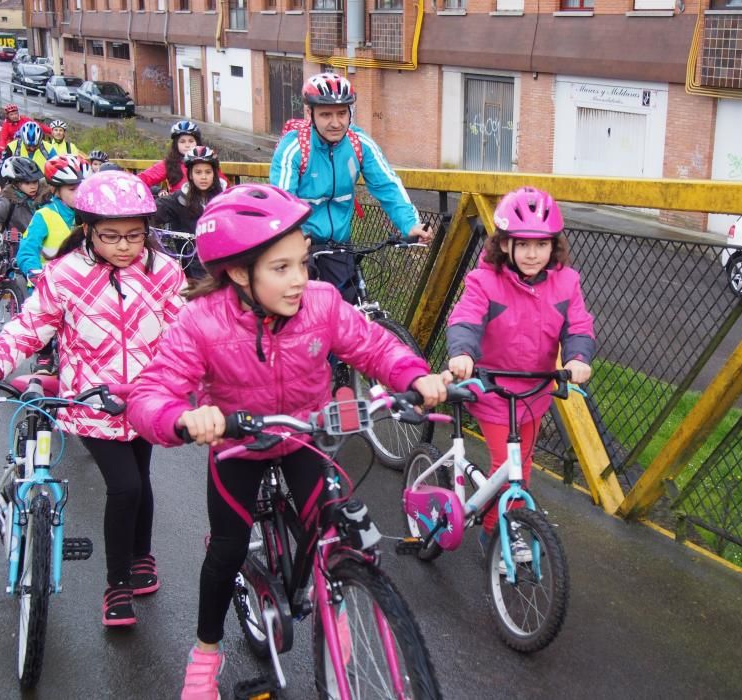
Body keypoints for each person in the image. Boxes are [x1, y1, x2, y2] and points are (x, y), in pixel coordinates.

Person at [125, 183, 450, 699]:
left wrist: (413, 375)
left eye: (302, 262)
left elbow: (371, 345)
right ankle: (206, 655)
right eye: (281, 268)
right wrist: (183, 418)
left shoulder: (322, 303)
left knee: (334, 533)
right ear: (237, 272)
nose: (301, 279)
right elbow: (151, 390)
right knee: (227, 550)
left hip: (303, 436)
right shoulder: (201, 321)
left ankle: (337, 597)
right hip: (238, 444)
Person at [0, 170, 185, 626]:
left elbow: (189, 331)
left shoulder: (164, 271)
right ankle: (116, 584)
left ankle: (142, 557)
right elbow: (28, 327)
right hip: (92, 401)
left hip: (146, 400)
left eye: (135, 236)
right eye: (111, 236)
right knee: (125, 487)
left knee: (141, 478)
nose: (124, 246)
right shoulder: (64, 275)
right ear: (87, 229)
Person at [445, 186, 595, 556]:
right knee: (506, 466)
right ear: (504, 245)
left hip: (535, 392)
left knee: (521, 468)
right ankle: (497, 535)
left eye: (542, 245)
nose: (532, 254)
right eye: (522, 244)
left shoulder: (566, 282)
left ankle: (501, 524)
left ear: (554, 246)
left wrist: (577, 358)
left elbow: (578, 326)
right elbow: (465, 318)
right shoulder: (485, 281)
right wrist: (462, 352)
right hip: (493, 390)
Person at [269, 72, 431, 303]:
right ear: (310, 114)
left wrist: (410, 224)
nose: (336, 123)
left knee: (349, 310)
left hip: (339, 244)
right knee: (303, 312)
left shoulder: (358, 143)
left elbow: (388, 184)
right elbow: (282, 201)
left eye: (342, 113)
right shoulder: (294, 147)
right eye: (326, 115)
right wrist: (295, 239)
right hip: (300, 244)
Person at [16, 154, 90, 373]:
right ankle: (45, 356)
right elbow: (27, 250)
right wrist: (33, 271)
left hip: (82, 285)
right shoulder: (44, 216)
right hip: (48, 284)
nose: (79, 194)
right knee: (45, 321)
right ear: (57, 190)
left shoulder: (91, 216)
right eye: (72, 189)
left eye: (82, 188)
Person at [153, 146, 225, 280]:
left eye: (208, 172)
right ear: (190, 174)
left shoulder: (226, 197)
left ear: (214, 174)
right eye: (198, 172)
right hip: (194, 269)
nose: (203, 177)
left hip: (222, 263)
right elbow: (152, 212)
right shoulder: (178, 200)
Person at [138, 120, 226, 196]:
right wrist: (157, 190)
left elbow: (223, 185)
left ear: (197, 142)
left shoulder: (207, 161)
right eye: (182, 142)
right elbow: (141, 179)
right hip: (178, 208)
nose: (187, 145)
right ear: (176, 145)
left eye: (191, 141)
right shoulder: (169, 163)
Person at [0, 156, 52, 241]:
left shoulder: (44, 198)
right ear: (15, 183)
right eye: (27, 183)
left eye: (35, 182)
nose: (33, 186)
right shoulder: (7, 202)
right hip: (14, 250)